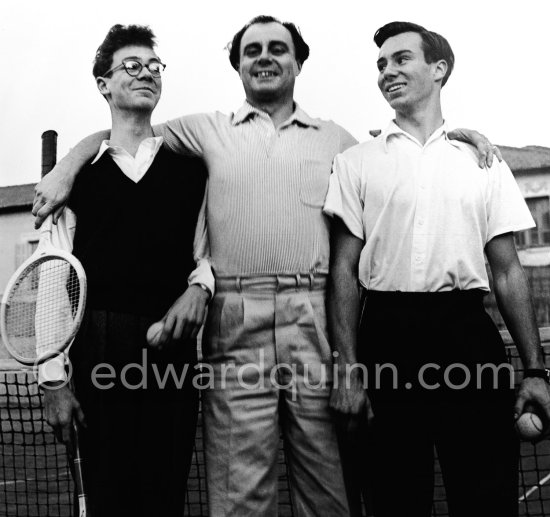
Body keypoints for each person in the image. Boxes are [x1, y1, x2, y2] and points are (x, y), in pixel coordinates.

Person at [32, 16, 499, 516]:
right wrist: (68, 164)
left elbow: (403, 152)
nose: (264, 57)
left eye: (278, 48)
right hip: (234, 327)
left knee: (329, 496)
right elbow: (124, 131)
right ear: (238, 68)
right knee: (235, 498)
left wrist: (457, 137)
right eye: (251, 50)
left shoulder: (337, 140)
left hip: (314, 321)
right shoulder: (201, 132)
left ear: (297, 63)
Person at [325, 21, 550, 517]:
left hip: (467, 336)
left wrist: (535, 370)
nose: (387, 71)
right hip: (385, 337)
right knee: (395, 500)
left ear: (439, 69)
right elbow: (343, 271)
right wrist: (348, 370)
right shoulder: (357, 162)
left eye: (401, 59)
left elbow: (508, 271)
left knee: (486, 498)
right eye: (381, 64)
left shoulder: (484, 162)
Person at [38, 24, 211, 517]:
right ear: (104, 85)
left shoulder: (191, 169)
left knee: (165, 495)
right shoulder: (74, 182)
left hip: (172, 352)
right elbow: (54, 284)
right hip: (98, 347)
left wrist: (201, 285)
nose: (146, 75)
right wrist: (53, 382)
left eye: (154, 67)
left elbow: (207, 255)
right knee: (109, 494)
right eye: (131, 67)